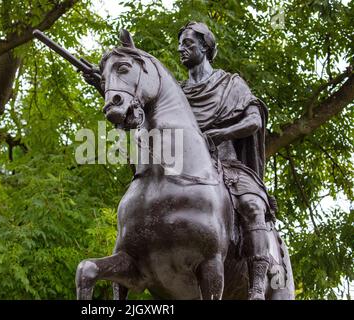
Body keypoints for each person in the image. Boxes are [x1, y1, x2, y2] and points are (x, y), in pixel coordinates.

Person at [83, 22, 275, 299]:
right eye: (180, 44)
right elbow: (135, 109)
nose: (181, 49)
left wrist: (218, 135)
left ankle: (257, 285)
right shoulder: (178, 91)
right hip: (182, 166)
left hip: (227, 164)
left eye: (188, 43)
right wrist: (103, 84)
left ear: (206, 47)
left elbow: (254, 120)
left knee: (252, 204)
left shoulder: (230, 84)